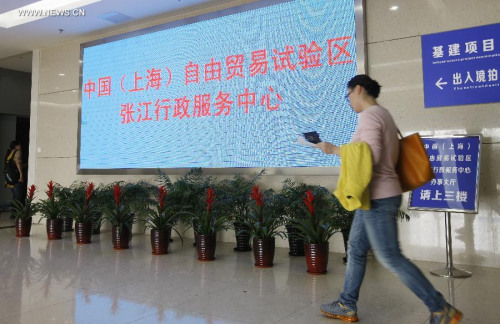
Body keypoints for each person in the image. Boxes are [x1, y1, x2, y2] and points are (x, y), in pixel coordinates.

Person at [316, 75, 462, 324]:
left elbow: (370, 155)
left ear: (358, 89)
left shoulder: (370, 115)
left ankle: (441, 308)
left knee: (390, 256)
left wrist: (334, 149)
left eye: (348, 95)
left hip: (379, 197)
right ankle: (346, 303)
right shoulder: (383, 113)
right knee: (356, 249)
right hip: (374, 197)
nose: (349, 101)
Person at [4, 140, 25, 219]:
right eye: (19, 145)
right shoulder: (17, 152)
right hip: (16, 179)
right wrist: (21, 174)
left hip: (9, 180)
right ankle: (16, 214)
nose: (20, 146)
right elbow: (17, 162)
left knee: (15, 197)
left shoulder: (9, 153)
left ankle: (13, 214)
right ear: (16, 146)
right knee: (18, 197)